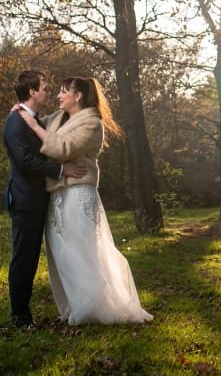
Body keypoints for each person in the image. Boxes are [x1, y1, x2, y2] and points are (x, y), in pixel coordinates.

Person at [15, 76, 152, 324]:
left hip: (78, 194)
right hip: (57, 194)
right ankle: (77, 304)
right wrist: (23, 111)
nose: (58, 95)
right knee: (62, 251)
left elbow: (61, 148)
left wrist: (33, 126)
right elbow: (36, 126)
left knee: (83, 249)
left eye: (63, 91)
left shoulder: (92, 124)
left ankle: (96, 307)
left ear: (77, 96)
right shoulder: (57, 118)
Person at [2, 70, 86, 328]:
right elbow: (24, 161)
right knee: (24, 258)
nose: (48, 90)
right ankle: (20, 317)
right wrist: (60, 170)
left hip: (40, 200)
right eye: (44, 87)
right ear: (31, 92)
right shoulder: (15, 122)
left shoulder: (36, 119)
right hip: (25, 201)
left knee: (33, 258)